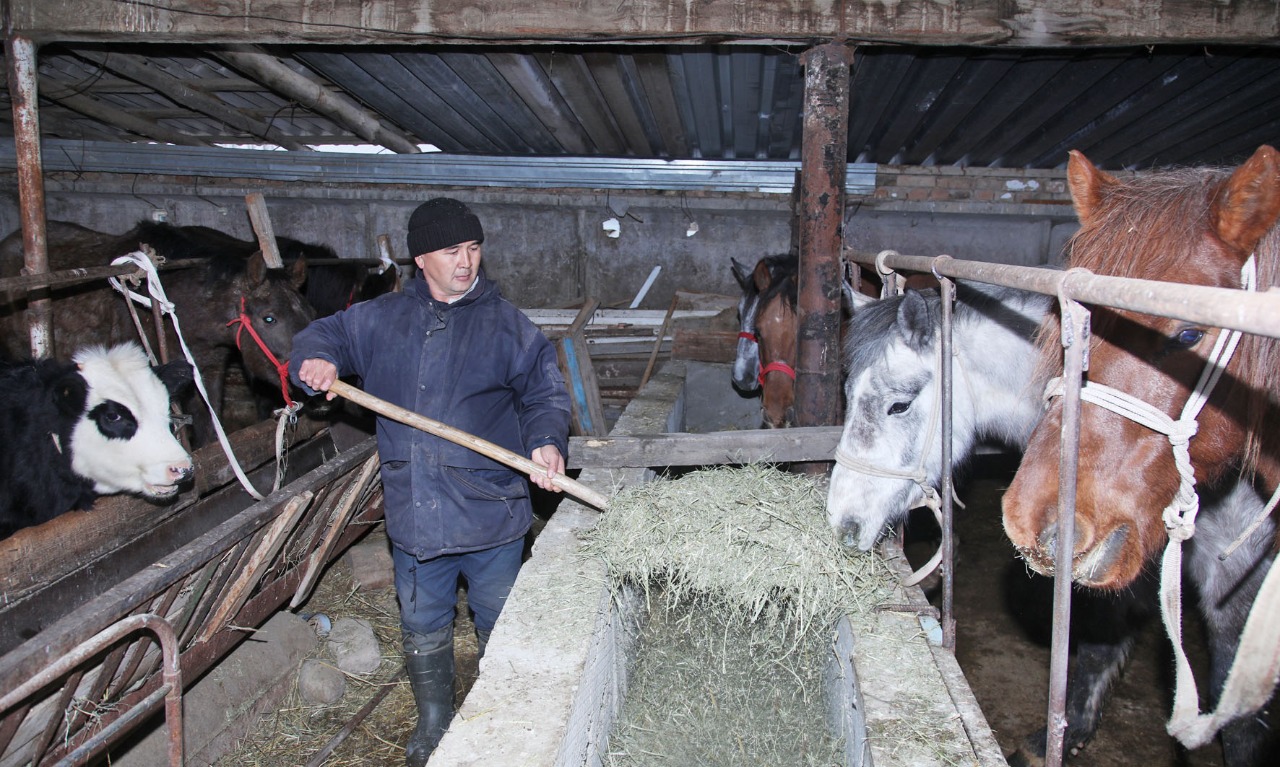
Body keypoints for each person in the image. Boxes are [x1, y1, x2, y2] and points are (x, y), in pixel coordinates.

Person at [289, 197, 571, 767]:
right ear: (422, 258)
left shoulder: (508, 327)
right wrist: (317, 357)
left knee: (500, 616)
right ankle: (434, 719)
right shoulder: (380, 318)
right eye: (451, 251)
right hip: (416, 513)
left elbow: (544, 394)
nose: (466, 262)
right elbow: (323, 334)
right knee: (422, 620)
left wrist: (546, 440)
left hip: (491, 511)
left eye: (473, 248)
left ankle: (505, 712)